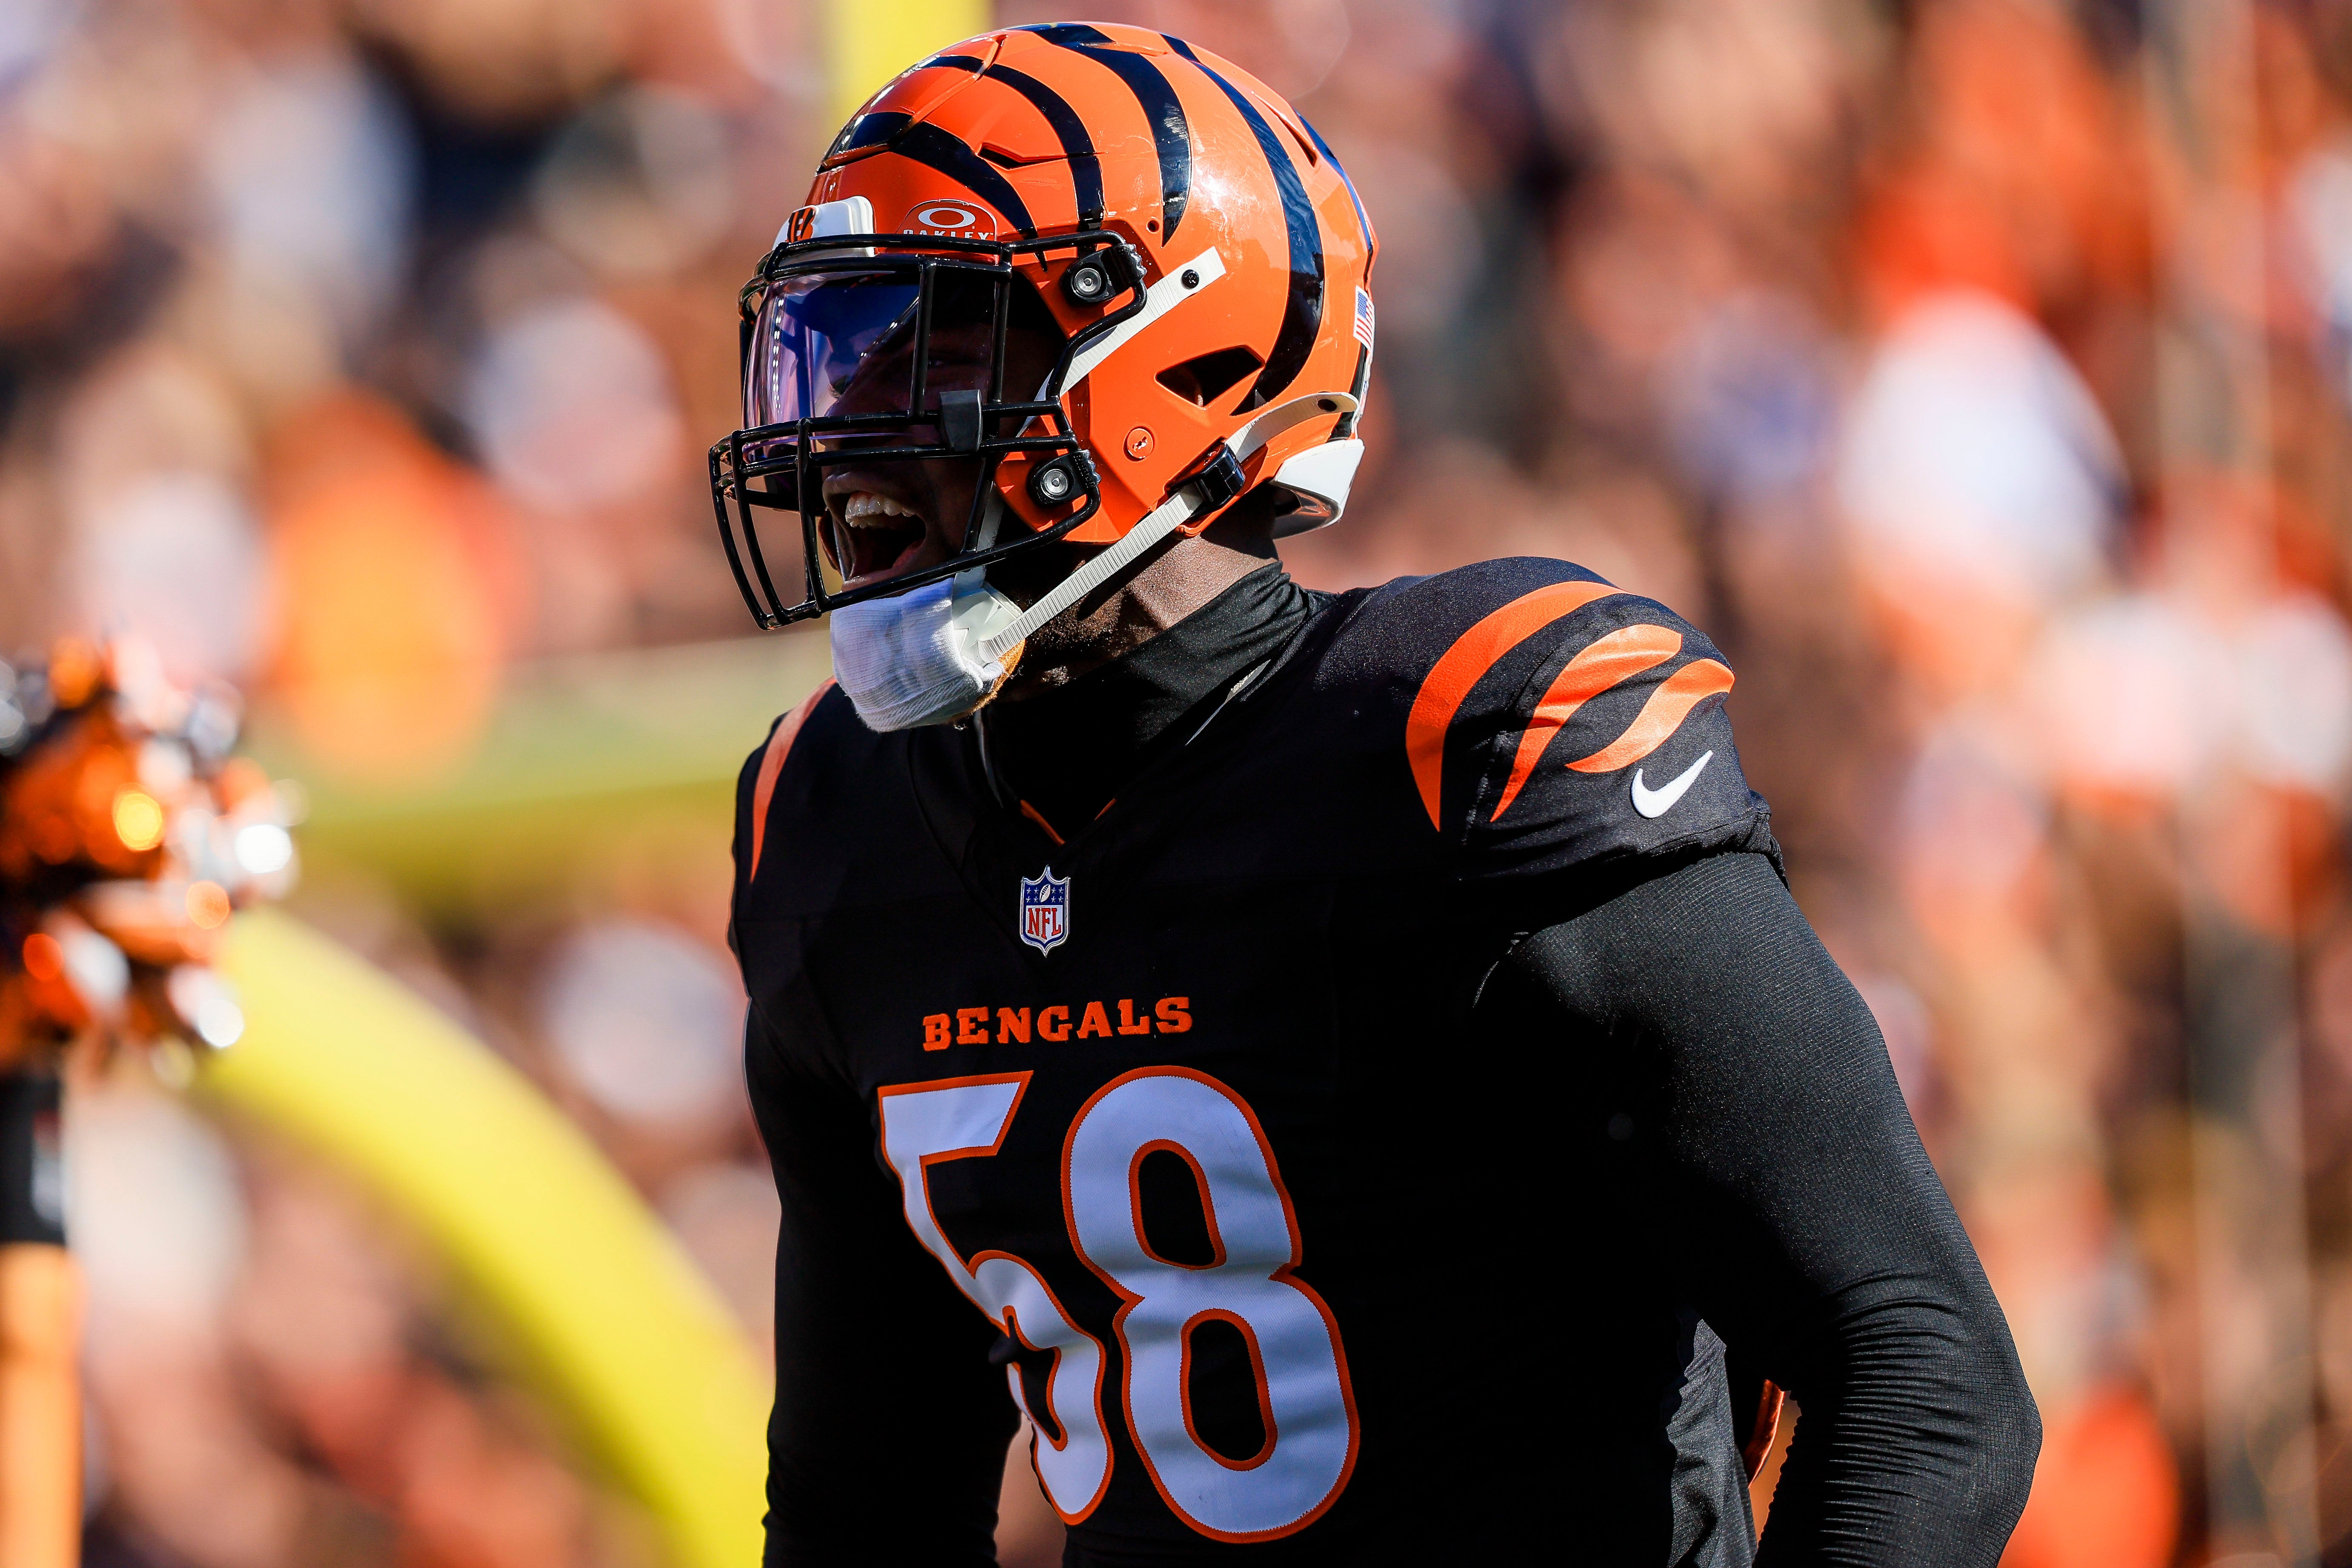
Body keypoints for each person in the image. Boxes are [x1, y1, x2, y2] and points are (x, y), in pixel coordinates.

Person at [719, 23, 2039, 1566]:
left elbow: (1923, 1377)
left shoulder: (1457, 742)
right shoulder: (832, 825)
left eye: (928, 346)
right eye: (834, 347)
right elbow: (861, 1511)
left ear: (1169, 355)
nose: (842, 430)